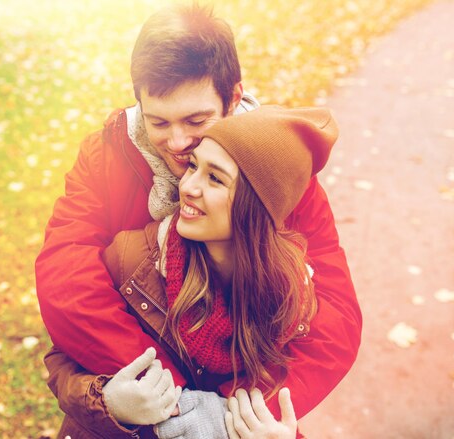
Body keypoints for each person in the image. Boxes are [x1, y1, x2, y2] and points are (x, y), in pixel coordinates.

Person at [36, 2, 361, 434]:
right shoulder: (107, 155)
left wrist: (237, 416)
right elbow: (66, 273)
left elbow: (334, 311)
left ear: (232, 97)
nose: (178, 143)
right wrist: (172, 395)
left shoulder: (274, 168)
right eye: (158, 122)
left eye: (196, 120)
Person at [44, 105, 337, 439]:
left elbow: (277, 409)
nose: (187, 186)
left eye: (215, 178)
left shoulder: (290, 303)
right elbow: (62, 361)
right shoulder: (133, 260)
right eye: (194, 166)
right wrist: (108, 401)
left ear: (255, 206)